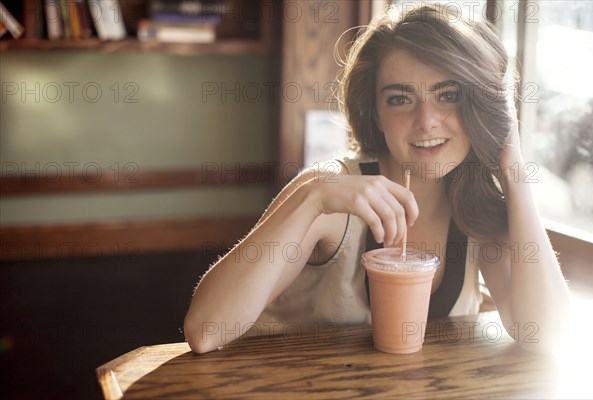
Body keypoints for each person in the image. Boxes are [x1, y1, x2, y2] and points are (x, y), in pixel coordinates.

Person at [184, 4, 570, 354]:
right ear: (375, 112)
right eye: (400, 99)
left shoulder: (478, 210)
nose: (426, 120)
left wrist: (512, 166)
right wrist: (311, 196)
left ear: (480, 104)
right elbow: (206, 331)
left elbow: (546, 333)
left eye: (448, 94)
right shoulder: (330, 194)